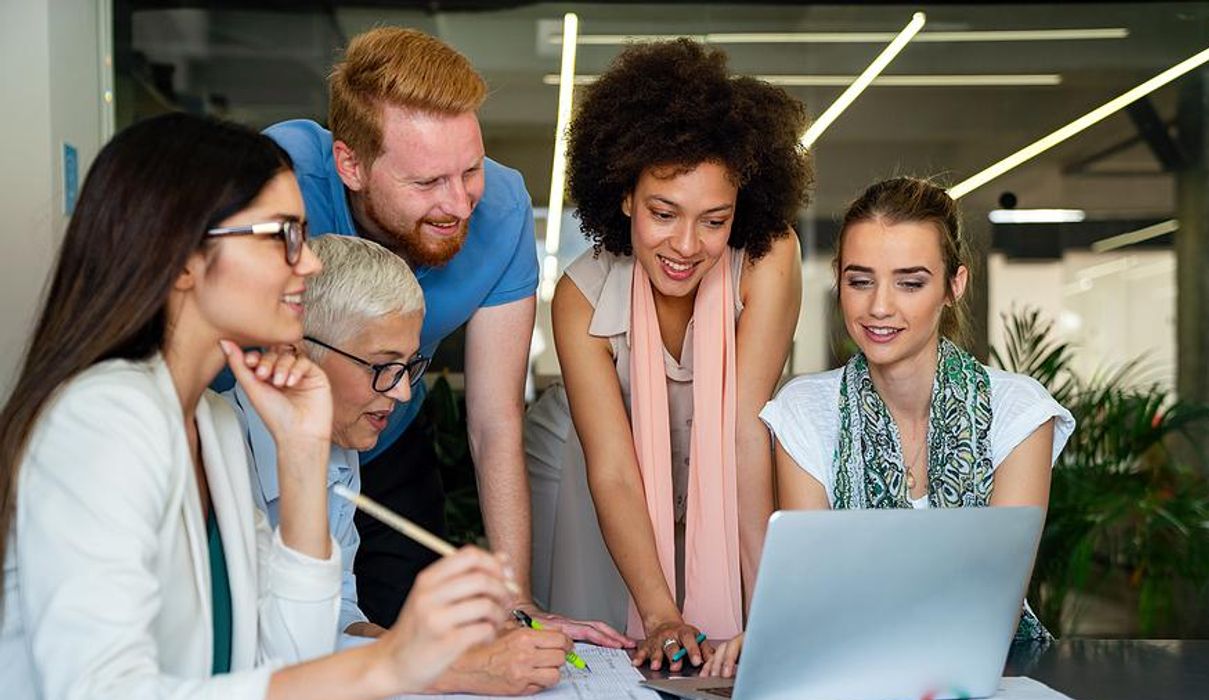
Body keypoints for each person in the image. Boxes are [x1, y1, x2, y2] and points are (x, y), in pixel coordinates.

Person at [0, 113, 511, 699]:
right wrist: (390, 663)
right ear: (184, 257)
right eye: (282, 236)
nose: (309, 261)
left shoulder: (212, 425)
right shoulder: (102, 419)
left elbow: (290, 659)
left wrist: (303, 454)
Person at [263, 25, 623, 646]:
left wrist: (516, 599)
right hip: (264, 446)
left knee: (407, 629)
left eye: (470, 170)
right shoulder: (281, 180)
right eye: (427, 183)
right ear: (351, 164)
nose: (458, 204)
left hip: (386, 439)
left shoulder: (500, 207)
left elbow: (494, 421)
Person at [701, 176, 1076, 678]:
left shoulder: (1019, 411)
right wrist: (783, 634)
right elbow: (813, 593)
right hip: (847, 675)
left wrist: (824, 626)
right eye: (860, 281)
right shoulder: (804, 411)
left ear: (954, 286)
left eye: (910, 283)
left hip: (988, 676)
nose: (879, 306)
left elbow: (996, 608)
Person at [526, 39, 811, 671]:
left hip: (733, 490)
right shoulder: (579, 296)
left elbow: (743, 434)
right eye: (663, 213)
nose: (686, 245)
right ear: (626, 195)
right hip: (610, 493)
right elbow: (613, 469)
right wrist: (659, 613)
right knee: (618, 652)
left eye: (714, 220)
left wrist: (770, 607)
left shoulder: (768, 258)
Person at [229, 234, 573, 695]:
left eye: (409, 366)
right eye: (382, 366)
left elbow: (337, 616)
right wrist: (452, 669)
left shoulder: (338, 451)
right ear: (294, 352)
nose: (403, 392)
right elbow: (261, 655)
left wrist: (441, 649)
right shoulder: (219, 456)